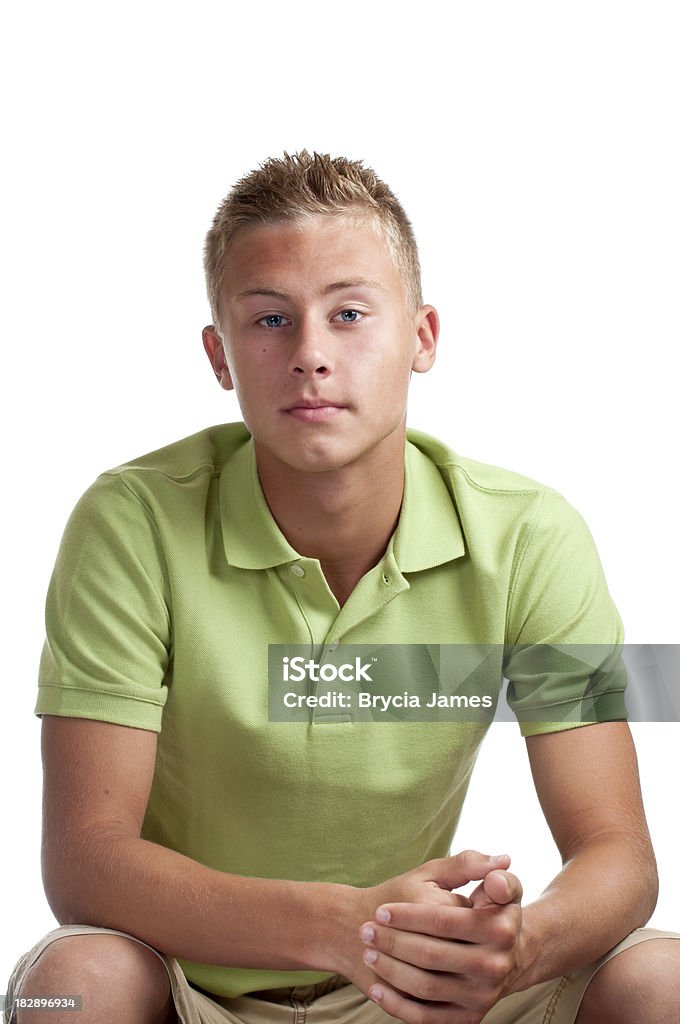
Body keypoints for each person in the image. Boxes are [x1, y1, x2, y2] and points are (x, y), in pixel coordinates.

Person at [4, 151, 679, 1024]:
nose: (312, 355)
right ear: (219, 355)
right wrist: (338, 925)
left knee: (663, 980)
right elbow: (85, 862)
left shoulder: (530, 535)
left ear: (423, 337)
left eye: (350, 313)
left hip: (425, 999)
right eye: (271, 320)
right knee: (70, 988)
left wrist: (517, 950)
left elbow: (618, 852)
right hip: (192, 992)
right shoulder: (130, 523)